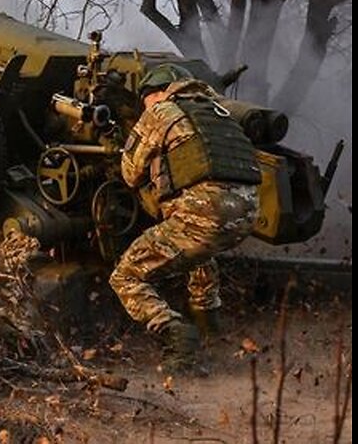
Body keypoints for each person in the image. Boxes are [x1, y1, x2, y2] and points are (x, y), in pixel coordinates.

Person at [109, 63, 262, 374]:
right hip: (245, 215)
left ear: (158, 92)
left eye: (146, 99)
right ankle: (211, 334)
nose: (144, 106)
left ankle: (177, 337)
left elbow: (130, 173)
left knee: (125, 276)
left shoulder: (161, 111)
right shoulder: (218, 112)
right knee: (198, 258)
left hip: (205, 214)